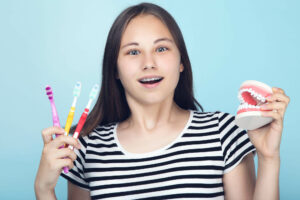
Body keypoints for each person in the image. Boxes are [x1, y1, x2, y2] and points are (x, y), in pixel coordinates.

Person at [34, 2, 290, 200]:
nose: (149, 63)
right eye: (133, 52)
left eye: (161, 48)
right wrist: (44, 190)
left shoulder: (224, 132)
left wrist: (269, 158)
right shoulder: (86, 149)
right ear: (115, 69)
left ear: (181, 62)